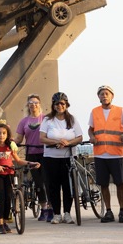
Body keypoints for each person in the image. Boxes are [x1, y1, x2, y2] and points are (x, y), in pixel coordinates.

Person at [88, 85, 123, 223]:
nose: (104, 96)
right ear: (98, 96)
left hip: (116, 153)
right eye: (101, 94)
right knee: (103, 184)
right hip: (100, 154)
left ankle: (122, 211)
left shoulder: (120, 111)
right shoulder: (94, 112)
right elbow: (90, 129)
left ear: (112, 96)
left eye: (107, 93)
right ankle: (108, 211)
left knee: (119, 183)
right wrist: (92, 137)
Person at [41, 92, 83, 225]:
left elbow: (79, 137)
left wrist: (68, 143)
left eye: (62, 103)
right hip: (51, 157)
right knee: (53, 186)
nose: (60, 106)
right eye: (57, 103)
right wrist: (55, 142)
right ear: (53, 105)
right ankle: (57, 214)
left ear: (66, 105)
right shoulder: (47, 120)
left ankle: (67, 213)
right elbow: (42, 138)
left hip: (68, 156)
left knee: (68, 186)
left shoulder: (72, 119)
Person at [0, 122, 32, 234]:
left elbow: (18, 160)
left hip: (9, 173)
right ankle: (0, 224)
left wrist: (31, 162)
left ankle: (5, 221)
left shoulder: (9, 146)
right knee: (1, 197)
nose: (1, 135)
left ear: (7, 135)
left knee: (8, 198)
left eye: (4, 133)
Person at [15, 94, 49, 221]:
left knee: (47, 181)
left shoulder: (46, 119)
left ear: (40, 104)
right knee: (38, 182)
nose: (33, 105)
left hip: (45, 153)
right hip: (31, 153)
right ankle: (44, 208)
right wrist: (10, 142)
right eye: (31, 103)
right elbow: (19, 138)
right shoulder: (24, 121)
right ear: (28, 105)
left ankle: (51, 208)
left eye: (36, 102)